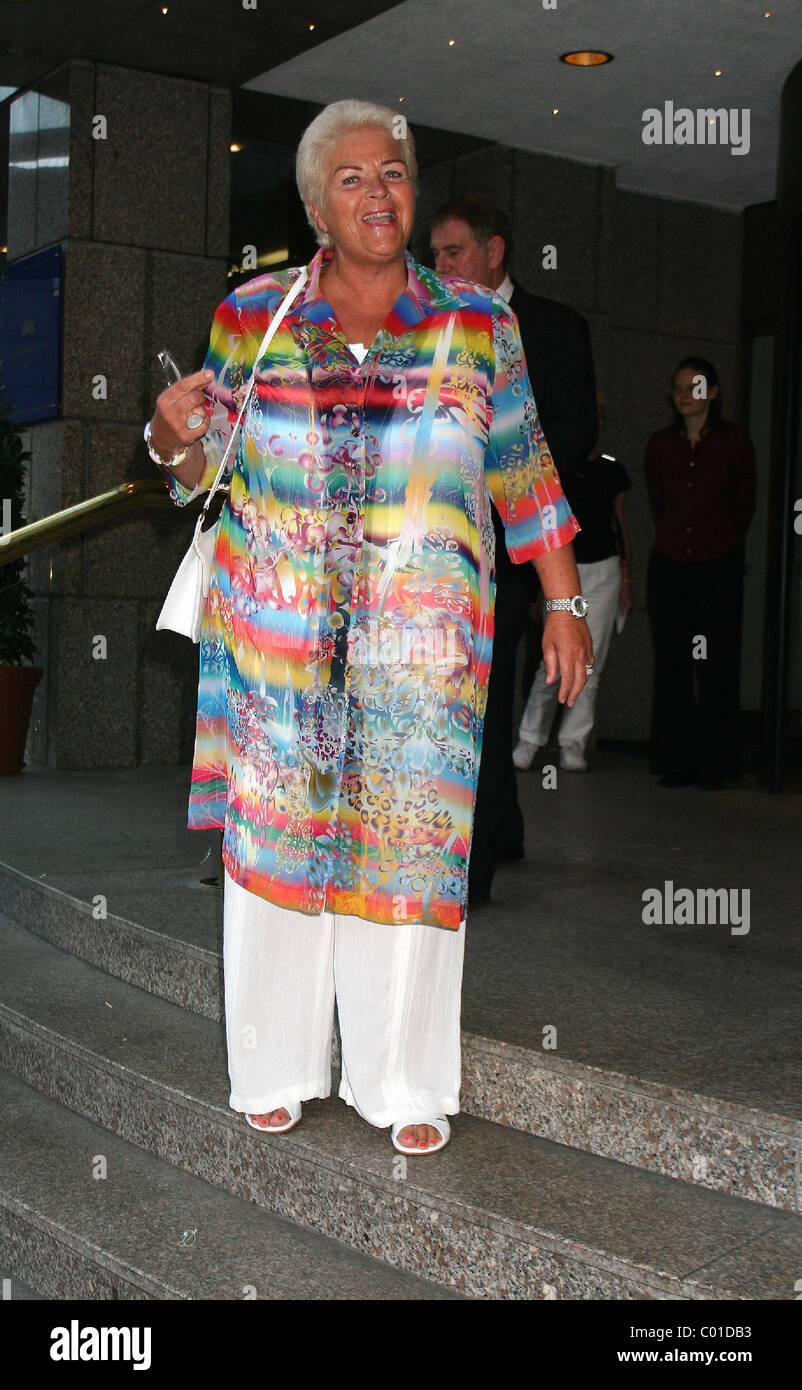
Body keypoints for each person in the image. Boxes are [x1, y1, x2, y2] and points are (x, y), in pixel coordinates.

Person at [145, 101, 592, 1157]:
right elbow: (206, 475)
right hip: (278, 638)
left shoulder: (476, 321)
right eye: (351, 177)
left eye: (392, 172)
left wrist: (565, 602)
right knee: (273, 853)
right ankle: (276, 1063)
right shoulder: (252, 315)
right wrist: (168, 443)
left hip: (421, 650)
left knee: (409, 846)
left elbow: (521, 467)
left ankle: (401, 1077)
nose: (379, 191)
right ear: (313, 205)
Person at [430, 196, 597, 901]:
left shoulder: (551, 325)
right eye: (433, 254)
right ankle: (501, 829)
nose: (439, 266)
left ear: (494, 251)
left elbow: (567, 436)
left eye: (454, 252)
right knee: (477, 698)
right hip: (435, 551)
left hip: (518, 544)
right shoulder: (427, 322)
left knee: (487, 694)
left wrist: (500, 486)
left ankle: (469, 866)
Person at [645, 357, 756, 790]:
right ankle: (678, 761)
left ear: (712, 393)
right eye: (677, 387)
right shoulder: (661, 445)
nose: (683, 395)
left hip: (716, 568)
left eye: (694, 387)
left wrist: (718, 546)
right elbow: (660, 504)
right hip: (671, 567)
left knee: (713, 662)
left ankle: (717, 763)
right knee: (673, 664)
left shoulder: (734, 442)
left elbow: (743, 505)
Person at [513, 396, 635, 771]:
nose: (592, 422)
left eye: (598, 415)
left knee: (588, 663)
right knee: (552, 662)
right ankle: (530, 740)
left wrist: (626, 577)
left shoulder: (612, 469)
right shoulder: (549, 464)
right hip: (563, 573)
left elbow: (621, 523)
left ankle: (573, 743)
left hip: (604, 569)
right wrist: (540, 591)